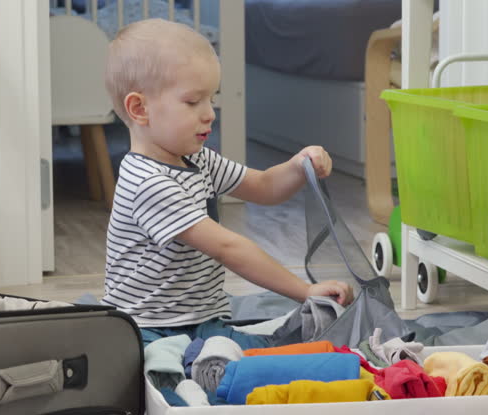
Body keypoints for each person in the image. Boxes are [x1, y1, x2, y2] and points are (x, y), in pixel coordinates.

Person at [102, 18, 354, 348]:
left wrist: (298, 165)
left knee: (248, 352)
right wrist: (304, 291)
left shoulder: (198, 159)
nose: (210, 114)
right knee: (229, 363)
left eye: (211, 98)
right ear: (139, 108)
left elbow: (262, 186)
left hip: (203, 319)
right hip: (148, 330)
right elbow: (228, 248)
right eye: (193, 102)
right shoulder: (148, 182)